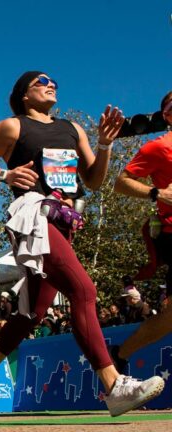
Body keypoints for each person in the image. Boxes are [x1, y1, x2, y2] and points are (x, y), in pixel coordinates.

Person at [0, 71, 164, 417]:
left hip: (64, 221)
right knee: (83, 290)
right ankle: (115, 385)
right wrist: (5, 174)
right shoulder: (11, 127)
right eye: (41, 81)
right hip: (33, 216)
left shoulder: (73, 129)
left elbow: (94, 180)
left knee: (33, 312)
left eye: (53, 81)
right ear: (24, 95)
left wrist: (104, 144)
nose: (50, 84)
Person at [111, 91, 172, 374]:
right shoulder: (158, 147)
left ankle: (119, 355)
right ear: (168, 115)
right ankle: (119, 355)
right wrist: (156, 192)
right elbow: (121, 183)